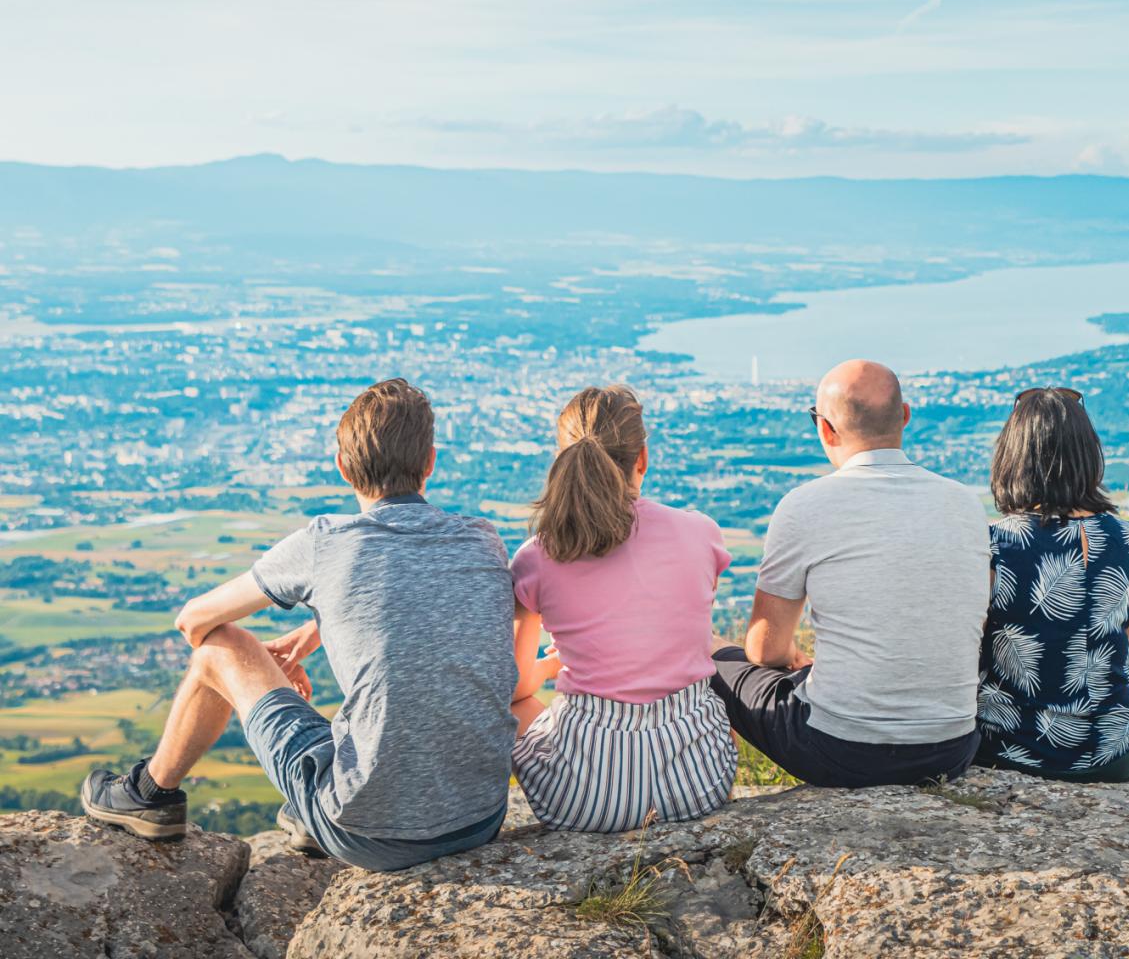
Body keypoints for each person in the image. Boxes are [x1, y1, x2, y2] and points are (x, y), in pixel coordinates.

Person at [79, 378, 518, 871]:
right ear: (430, 463)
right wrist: (317, 631)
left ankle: (148, 795)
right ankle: (311, 812)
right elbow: (426, 612)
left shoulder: (325, 543)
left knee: (220, 647)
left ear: (343, 467)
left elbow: (194, 620)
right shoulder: (483, 540)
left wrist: (258, 666)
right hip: (479, 818)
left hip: (367, 833)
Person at [708, 359, 988, 787]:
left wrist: (791, 658)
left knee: (710, 654)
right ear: (905, 416)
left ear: (825, 429)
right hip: (952, 748)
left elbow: (764, 650)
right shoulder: (965, 503)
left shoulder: (805, 505)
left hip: (841, 752)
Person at [507, 386, 737, 831]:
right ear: (642, 459)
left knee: (520, 708)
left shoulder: (537, 555)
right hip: (698, 787)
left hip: (582, 802)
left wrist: (553, 666)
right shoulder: (700, 532)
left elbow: (513, 686)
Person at [973, 387, 1129, 782]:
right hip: (1113, 754)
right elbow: (1124, 643)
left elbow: (968, 653)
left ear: (1013, 457)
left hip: (1011, 748)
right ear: (1088, 455)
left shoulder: (994, 546)